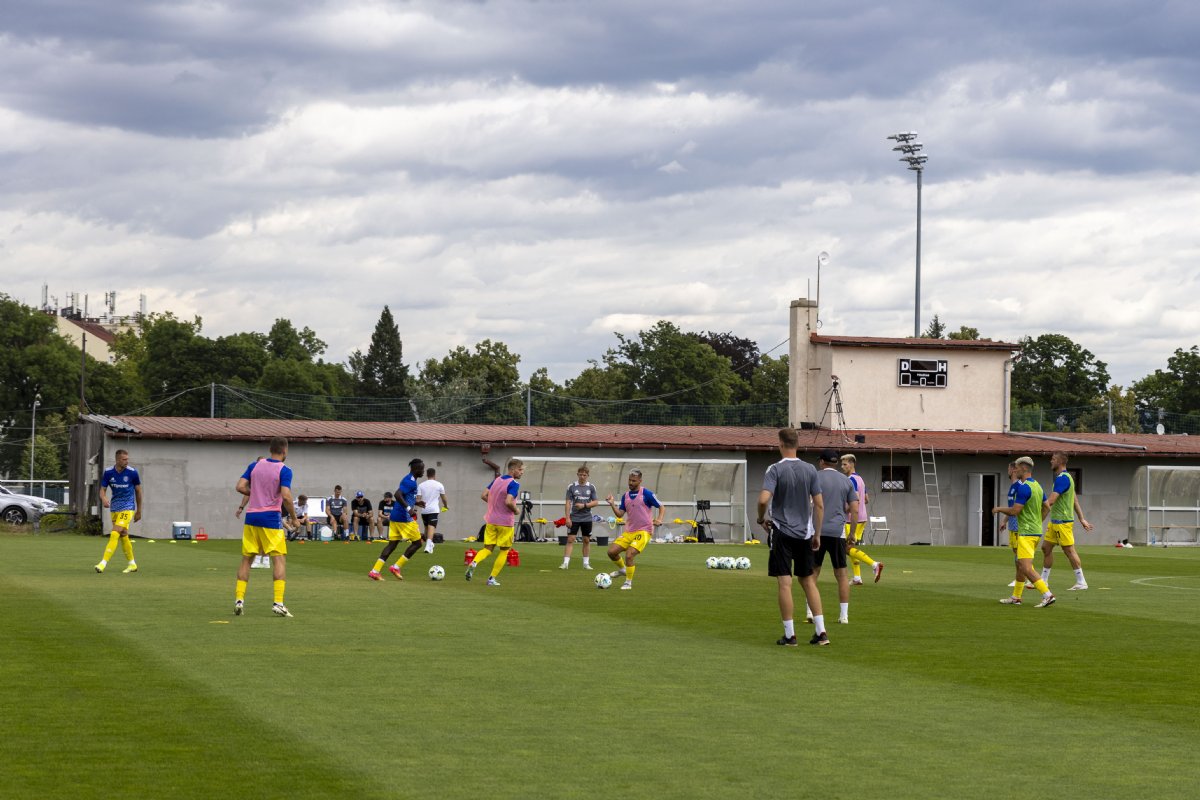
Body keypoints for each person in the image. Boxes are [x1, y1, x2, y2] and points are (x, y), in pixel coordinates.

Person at [758, 427, 829, 646]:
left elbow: (763, 500)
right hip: (805, 533)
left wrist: (761, 519)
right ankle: (821, 632)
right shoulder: (810, 469)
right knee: (808, 581)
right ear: (798, 444)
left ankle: (790, 635)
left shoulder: (774, 469)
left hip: (782, 530)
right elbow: (819, 505)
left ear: (780, 444)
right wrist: (817, 533)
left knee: (784, 582)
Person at [234, 436, 297, 617]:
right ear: (284, 451)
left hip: (251, 517)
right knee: (279, 559)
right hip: (270, 519)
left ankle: (239, 600)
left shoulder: (255, 465)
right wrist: (294, 518)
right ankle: (278, 603)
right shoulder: (285, 470)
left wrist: (255, 493)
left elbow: (240, 486)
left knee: (247, 559)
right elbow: (286, 496)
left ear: (270, 449)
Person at [993, 456, 1056, 608]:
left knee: (1026, 567)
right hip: (1035, 531)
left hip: (1027, 532)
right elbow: (1047, 507)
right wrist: (1038, 521)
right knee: (1021, 564)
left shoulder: (1024, 487)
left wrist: (998, 509)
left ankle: (1047, 595)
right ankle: (1016, 597)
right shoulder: (1037, 486)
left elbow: (1015, 511)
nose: (1015, 470)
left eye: (1017, 467)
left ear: (1024, 468)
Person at [813, 449, 859, 625]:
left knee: (812, 573)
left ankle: (811, 612)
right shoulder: (846, 481)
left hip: (816, 531)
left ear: (822, 462)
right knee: (841, 574)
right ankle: (844, 615)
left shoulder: (814, 477)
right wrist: (852, 533)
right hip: (838, 532)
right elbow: (854, 509)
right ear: (836, 463)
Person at [466, 458, 525, 586]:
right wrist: (516, 510)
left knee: (487, 549)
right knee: (504, 550)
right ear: (513, 469)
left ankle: (474, 562)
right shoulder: (514, 483)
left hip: (491, 521)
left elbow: (483, 495)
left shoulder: (497, 480)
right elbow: (508, 501)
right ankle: (491, 579)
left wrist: (495, 505)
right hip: (505, 523)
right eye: (520, 470)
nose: (522, 472)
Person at [1040, 452, 1094, 591]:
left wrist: (1036, 511)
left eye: (1053, 459)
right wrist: (1082, 518)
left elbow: (1051, 500)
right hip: (1055, 521)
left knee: (1069, 550)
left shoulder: (1062, 479)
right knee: (1046, 548)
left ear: (1060, 461)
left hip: (1062, 522)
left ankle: (1081, 582)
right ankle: (1043, 580)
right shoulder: (1066, 478)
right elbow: (1075, 500)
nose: (1051, 461)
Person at [604, 468, 664, 590]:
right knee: (611, 552)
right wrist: (612, 504)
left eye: (634, 481)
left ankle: (628, 582)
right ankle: (623, 570)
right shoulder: (625, 496)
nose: (630, 483)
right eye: (629, 480)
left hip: (644, 531)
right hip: (629, 531)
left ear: (640, 481)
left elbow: (661, 506)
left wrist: (659, 519)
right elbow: (620, 514)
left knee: (629, 555)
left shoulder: (646, 493)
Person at [369, 459, 426, 580]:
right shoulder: (410, 481)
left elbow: (405, 496)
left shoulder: (410, 479)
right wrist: (409, 509)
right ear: (416, 469)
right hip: (403, 518)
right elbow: (397, 494)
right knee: (417, 543)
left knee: (392, 545)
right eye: (422, 469)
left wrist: (417, 502)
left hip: (395, 517)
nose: (423, 471)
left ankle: (375, 571)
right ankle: (396, 567)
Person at [94, 448, 142, 574]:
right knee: (123, 534)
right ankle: (132, 564)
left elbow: (138, 491)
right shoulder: (108, 472)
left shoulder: (132, 473)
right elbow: (102, 489)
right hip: (115, 507)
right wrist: (104, 498)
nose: (127, 461)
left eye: (127, 459)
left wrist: (139, 511)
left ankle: (103, 563)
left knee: (115, 533)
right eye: (124, 459)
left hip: (128, 507)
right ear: (117, 460)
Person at [840, 454, 883, 584]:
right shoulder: (860, 479)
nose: (842, 467)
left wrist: (844, 510)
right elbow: (866, 499)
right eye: (842, 464)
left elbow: (857, 499)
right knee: (851, 548)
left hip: (852, 518)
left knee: (846, 549)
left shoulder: (851, 480)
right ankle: (857, 578)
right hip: (862, 517)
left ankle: (874, 564)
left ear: (852, 464)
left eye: (845, 464)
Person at [561, 465, 599, 570]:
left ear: (588, 476)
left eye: (584, 475)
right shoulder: (571, 487)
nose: (582, 476)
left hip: (587, 518)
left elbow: (596, 502)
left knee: (586, 540)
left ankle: (586, 563)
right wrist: (567, 518)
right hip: (574, 517)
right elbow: (568, 503)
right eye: (580, 474)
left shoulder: (591, 487)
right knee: (570, 539)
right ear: (577, 474)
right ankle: (565, 563)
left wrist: (584, 505)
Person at [237, 457, 271, 567]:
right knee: (256, 538)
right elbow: (246, 493)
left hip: (268, 512)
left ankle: (265, 561)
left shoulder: (270, 479)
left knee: (265, 537)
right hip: (255, 512)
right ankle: (259, 560)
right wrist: (241, 507)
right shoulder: (254, 483)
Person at [417, 467, 449, 554]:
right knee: (431, 527)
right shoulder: (439, 485)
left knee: (427, 527)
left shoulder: (421, 485)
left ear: (427, 475)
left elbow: (418, 499)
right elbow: (444, 498)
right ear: (434, 475)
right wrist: (446, 506)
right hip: (434, 510)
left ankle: (429, 544)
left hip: (424, 510)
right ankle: (428, 545)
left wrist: (416, 508)